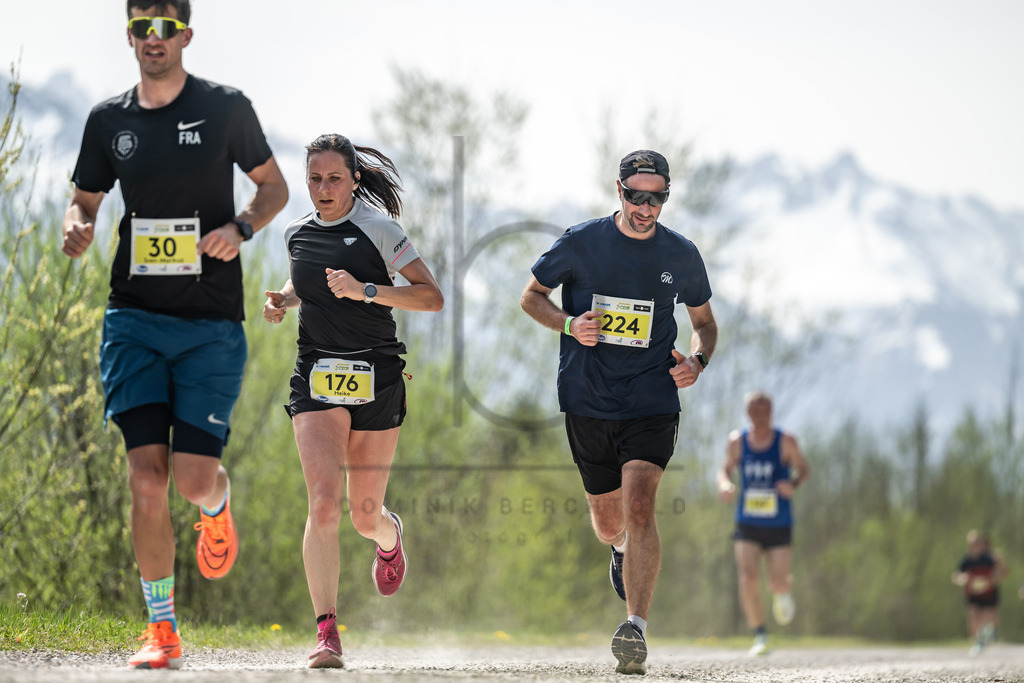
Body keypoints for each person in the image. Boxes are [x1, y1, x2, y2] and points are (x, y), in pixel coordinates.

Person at [61, 1, 288, 670]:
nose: (153, 38)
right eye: (141, 26)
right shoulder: (108, 121)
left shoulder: (226, 108)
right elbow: (86, 198)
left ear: (185, 34)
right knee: (145, 476)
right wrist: (77, 224)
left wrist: (241, 228)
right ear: (129, 33)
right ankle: (162, 628)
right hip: (132, 316)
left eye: (165, 26)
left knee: (189, 480)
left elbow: (272, 189)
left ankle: (217, 502)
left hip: (210, 324)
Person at [521, 150, 717, 675]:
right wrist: (567, 325)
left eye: (657, 198)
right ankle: (620, 550)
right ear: (620, 190)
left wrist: (697, 360)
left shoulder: (682, 255)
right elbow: (531, 297)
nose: (646, 208)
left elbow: (705, 323)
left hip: (652, 402)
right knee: (609, 523)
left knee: (640, 507)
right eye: (637, 196)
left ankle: (636, 628)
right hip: (587, 401)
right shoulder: (582, 241)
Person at [263, 134, 442, 669]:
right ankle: (326, 633)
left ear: (355, 179)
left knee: (364, 516)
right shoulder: (297, 233)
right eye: (315, 179)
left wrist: (366, 290)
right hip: (316, 375)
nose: (323, 189)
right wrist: (283, 300)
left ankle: (390, 538)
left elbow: (430, 297)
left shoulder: (380, 230)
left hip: (377, 377)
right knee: (322, 503)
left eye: (334, 178)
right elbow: (312, 288)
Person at [716, 391, 810, 656]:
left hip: (779, 522)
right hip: (747, 522)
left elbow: (804, 470)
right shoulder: (737, 441)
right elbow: (725, 469)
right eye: (755, 412)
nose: (760, 417)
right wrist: (725, 484)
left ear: (771, 412)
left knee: (777, 581)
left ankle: (782, 591)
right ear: (748, 413)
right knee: (747, 578)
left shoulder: (786, 441)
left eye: (764, 411)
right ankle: (760, 635)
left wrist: (791, 484)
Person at [951, 529, 1008, 656]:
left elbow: (1003, 573)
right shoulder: (967, 560)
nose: (974, 546)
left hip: (989, 594)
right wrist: (962, 579)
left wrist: (1000, 565)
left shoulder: (990, 558)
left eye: (977, 543)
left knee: (988, 619)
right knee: (973, 617)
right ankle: (978, 642)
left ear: (982, 544)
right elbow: (956, 575)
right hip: (973, 594)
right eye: (971, 544)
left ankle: (989, 634)